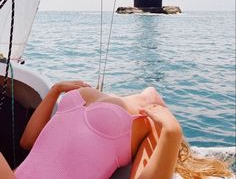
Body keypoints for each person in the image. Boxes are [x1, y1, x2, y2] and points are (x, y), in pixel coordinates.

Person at [0, 81, 232, 179]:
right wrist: (55, 90)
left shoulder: (150, 123)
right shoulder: (150, 116)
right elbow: (28, 143)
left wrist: (171, 133)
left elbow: (27, 143)